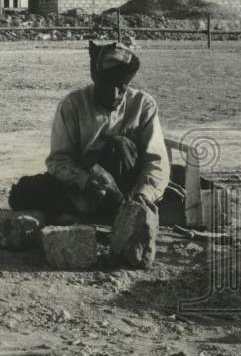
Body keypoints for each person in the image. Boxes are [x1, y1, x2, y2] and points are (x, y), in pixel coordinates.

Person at [9, 40, 169, 223]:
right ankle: (98, 213)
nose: (114, 94)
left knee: (119, 146)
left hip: (127, 188)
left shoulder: (143, 105)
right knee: (21, 192)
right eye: (107, 86)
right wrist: (85, 181)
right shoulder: (72, 105)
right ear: (94, 76)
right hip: (84, 186)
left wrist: (144, 195)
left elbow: (156, 160)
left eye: (121, 87)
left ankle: (116, 212)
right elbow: (59, 160)